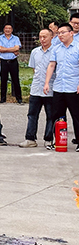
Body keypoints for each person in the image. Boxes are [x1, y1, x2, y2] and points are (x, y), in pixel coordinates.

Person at [44, 23, 79, 152]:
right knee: (57, 115)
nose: (60, 35)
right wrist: (47, 83)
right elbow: (52, 66)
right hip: (59, 87)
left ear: (71, 33)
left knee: (76, 115)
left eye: (63, 32)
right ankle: (57, 141)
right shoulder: (56, 49)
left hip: (73, 87)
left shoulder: (77, 47)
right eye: (58, 33)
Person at [22, 28, 55, 147]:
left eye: (45, 37)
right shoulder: (35, 52)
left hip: (50, 89)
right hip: (36, 88)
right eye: (40, 37)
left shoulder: (55, 51)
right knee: (32, 114)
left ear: (52, 37)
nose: (42, 39)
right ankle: (30, 138)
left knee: (51, 115)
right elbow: (34, 69)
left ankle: (48, 138)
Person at [0, 24, 22, 104]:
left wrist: (5, 49)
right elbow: (0, 49)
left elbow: (17, 48)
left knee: (16, 80)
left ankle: (19, 99)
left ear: (12, 30)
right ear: (4, 29)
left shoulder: (16, 38)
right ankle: (3, 99)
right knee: (3, 80)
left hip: (13, 61)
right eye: (6, 28)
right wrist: (12, 50)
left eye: (9, 28)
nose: (8, 30)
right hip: (3, 61)